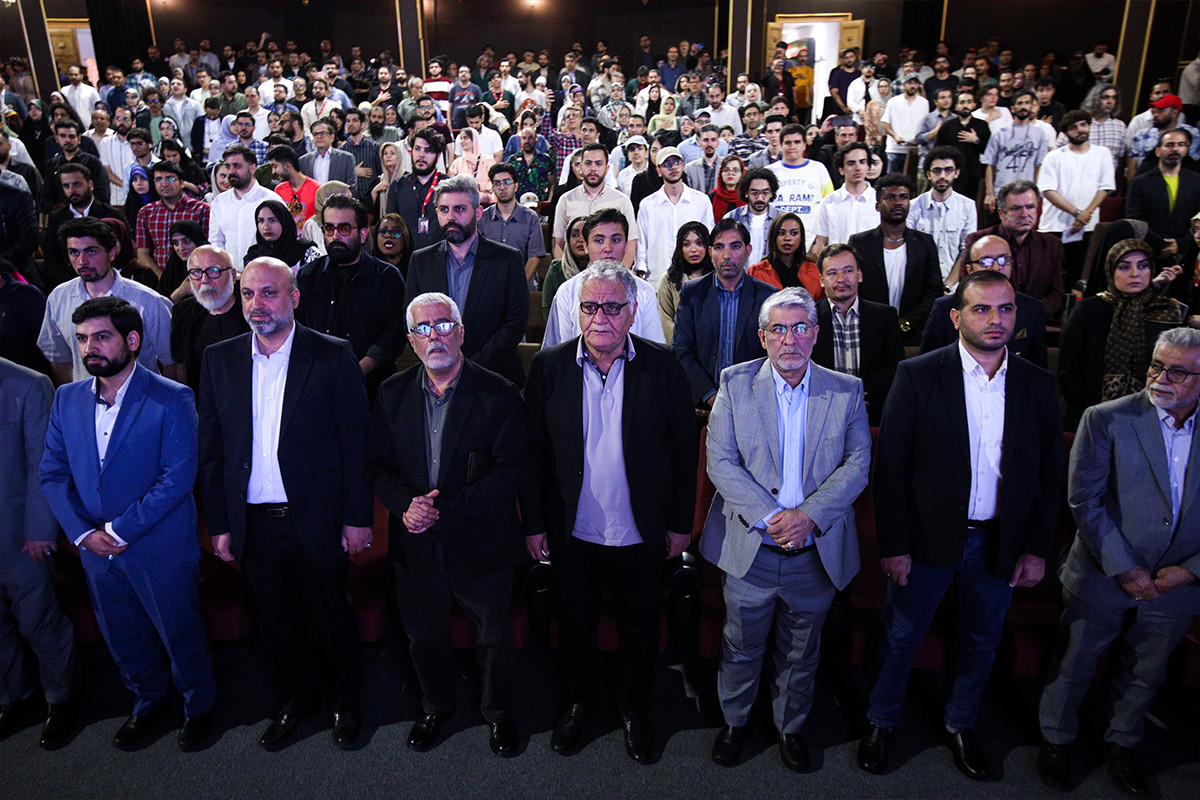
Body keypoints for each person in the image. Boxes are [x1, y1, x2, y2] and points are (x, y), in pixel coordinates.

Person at [859, 269, 1063, 780]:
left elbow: (1047, 475)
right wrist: (894, 544)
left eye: (1005, 309)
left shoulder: (1038, 384)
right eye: (981, 308)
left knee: (981, 640)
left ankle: (960, 723)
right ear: (956, 317)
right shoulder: (920, 374)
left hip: (1000, 541)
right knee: (901, 636)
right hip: (926, 539)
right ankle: (881, 721)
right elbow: (891, 468)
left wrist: (1036, 547)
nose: (996, 319)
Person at [523, 261, 697, 763]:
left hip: (640, 530)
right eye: (590, 306)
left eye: (612, 307)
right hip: (572, 531)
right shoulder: (549, 366)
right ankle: (580, 701)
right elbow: (532, 455)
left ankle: (633, 706)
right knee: (575, 625)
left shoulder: (664, 366)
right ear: (577, 312)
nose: (600, 317)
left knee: (640, 627)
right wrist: (534, 524)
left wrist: (680, 524)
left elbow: (686, 454)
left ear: (632, 311)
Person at [198, 257, 372, 752]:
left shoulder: (332, 354)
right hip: (253, 523)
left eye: (269, 293)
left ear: (294, 298)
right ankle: (297, 698)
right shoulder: (220, 358)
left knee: (332, 615)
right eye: (248, 294)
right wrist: (221, 522)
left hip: (317, 518)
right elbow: (212, 450)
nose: (257, 304)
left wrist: (356, 518)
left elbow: (356, 444)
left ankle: (346, 702)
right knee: (274, 621)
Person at [702, 285, 871, 770]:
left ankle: (789, 728)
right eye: (779, 329)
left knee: (801, 651)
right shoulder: (735, 383)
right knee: (740, 644)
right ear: (763, 337)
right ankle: (735, 722)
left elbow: (858, 463)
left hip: (815, 550)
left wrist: (808, 518)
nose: (790, 339)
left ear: (816, 334)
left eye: (800, 328)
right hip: (752, 546)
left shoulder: (846, 390)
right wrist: (774, 519)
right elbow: (721, 462)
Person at [40, 297, 217, 752]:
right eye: (82, 339)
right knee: (123, 636)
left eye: (102, 337)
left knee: (179, 631)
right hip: (95, 550)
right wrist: (84, 534)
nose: (89, 348)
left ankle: (199, 706)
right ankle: (147, 701)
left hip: (158, 545)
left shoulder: (172, 397)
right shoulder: (66, 399)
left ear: (132, 340)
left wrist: (118, 532)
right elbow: (53, 473)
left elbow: (177, 478)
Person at [1037, 327, 1200, 797]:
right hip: (1103, 571)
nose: (1161, 378)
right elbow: (1084, 501)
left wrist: (1191, 571)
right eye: (1156, 366)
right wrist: (1124, 567)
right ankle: (1056, 738)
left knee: (1146, 671)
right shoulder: (1107, 418)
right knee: (1075, 662)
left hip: (1177, 582)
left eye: (1177, 372)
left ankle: (1121, 742)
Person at [367, 291, 526, 757]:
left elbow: (510, 472)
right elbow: (378, 467)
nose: (433, 336)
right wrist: (405, 505)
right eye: (422, 328)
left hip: (482, 541)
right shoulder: (391, 393)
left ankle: (497, 713)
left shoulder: (500, 393)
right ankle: (435, 706)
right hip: (415, 542)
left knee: (492, 637)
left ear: (460, 333)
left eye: (442, 326)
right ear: (410, 340)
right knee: (423, 637)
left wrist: (442, 510)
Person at [0, 358, 79, 750]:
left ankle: (61, 697)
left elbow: (45, 465)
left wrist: (40, 529)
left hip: (18, 534)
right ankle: (15, 695)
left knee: (38, 621)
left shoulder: (28, 385)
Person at [404, 175, 528, 387]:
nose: (450, 217)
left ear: (478, 213)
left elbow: (515, 324)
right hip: (438, 378)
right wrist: (441, 364)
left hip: (496, 378)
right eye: (444, 210)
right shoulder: (421, 261)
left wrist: (469, 368)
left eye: (459, 209)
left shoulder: (508, 259)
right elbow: (411, 321)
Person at [1059, 239, 1186, 430]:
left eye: (1143, 266)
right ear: (1111, 271)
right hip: (1090, 414)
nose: (1135, 273)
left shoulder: (1165, 311)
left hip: (1153, 416)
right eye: (1124, 267)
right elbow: (1068, 369)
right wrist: (1092, 411)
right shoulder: (1089, 309)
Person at [39, 217, 174, 385]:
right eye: (74, 252)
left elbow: (172, 363)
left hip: (141, 396)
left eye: (91, 251)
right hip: (86, 397)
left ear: (112, 253)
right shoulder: (59, 298)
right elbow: (59, 359)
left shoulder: (148, 301)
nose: (82, 261)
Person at [295, 194, 405, 399]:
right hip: (318, 384)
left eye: (344, 228)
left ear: (363, 235)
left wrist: (356, 369)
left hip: (371, 387)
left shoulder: (386, 277)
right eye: (329, 228)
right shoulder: (308, 275)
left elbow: (393, 335)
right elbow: (299, 330)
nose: (335, 236)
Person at [673, 218, 777, 408]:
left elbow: (772, 354)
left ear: (748, 251)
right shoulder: (692, 293)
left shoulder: (767, 297)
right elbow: (682, 350)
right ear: (710, 253)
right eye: (719, 247)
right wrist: (710, 396)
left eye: (735, 246)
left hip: (753, 402)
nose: (727, 255)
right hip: (701, 404)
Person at [920, 232, 1048, 367]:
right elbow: (928, 365)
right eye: (986, 261)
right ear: (970, 269)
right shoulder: (945, 307)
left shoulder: (1032, 308)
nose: (996, 267)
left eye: (1003, 260)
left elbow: (1038, 370)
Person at [812, 243, 905, 425]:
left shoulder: (885, 316)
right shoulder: (808, 318)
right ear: (821, 280)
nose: (841, 279)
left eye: (848, 271)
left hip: (874, 411)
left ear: (859, 275)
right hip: (821, 411)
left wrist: (861, 393)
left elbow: (895, 364)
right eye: (832, 273)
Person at [543, 208, 664, 348]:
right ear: (586, 246)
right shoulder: (567, 291)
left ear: (626, 245)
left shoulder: (644, 291)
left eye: (616, 240)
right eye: (599, 240)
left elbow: (653, 348)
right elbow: (557, 350)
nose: (608, 248)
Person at [849, 174, 944, 345]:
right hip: (871, 332)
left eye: (903, 197)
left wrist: (907, 323)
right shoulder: (860, 243)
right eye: (891, 198)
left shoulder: (925, 243)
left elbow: (934, 290)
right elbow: (854, 289)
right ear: (877, 205)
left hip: (914, 334)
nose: (898, 202)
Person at [958, 181, 1066, 320]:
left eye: (1030, 207)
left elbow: (1057, 293)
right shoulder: (979, 241)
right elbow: (966, 287)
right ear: (1001, 213)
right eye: (1016, 208)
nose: (1024, 214)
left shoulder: (1052, 245)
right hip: (989, 321)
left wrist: (1029, 315)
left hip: (1035, 321)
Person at [1038, 110, 1117, 288]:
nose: (1080, 129)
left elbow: (1105, 187)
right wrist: (1077, 213)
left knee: (1080, 277)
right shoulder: (1054, 156)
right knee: (1050, 277)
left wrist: (1085, 215)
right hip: (1055, 226)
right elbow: (1048, 190)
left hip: (1088, 227)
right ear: (1066, 133)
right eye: (1074, 127)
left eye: (1083, 125)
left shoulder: (1102, 153)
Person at [168, 244, 248, 392]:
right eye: (196, 272)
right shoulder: (182, 313)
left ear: (232, 275)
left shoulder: (252, 312)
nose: (204, 280)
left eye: (214, 271)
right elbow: (181, 366)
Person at [635, 146, 715, 284]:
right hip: (657, 277)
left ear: (683, 166)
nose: (673, 167)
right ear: (659, 171)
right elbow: (642, 242)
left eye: (676, 162)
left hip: (695, 278)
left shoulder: (701, 201)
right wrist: (641, 270)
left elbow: (709, 238)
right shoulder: (647, 205)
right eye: (667, 164)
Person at [551, 143, 639, 269]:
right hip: (573, 272)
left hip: (612, 271)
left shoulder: (621, 201)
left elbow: (631, 244)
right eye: (588, 163)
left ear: (607, 168)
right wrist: (567, 274)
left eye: (598, 164)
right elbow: (558, 243)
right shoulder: (566, 200)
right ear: (581, 167)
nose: (593, 168)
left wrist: (619, 275)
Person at [41, 162, 120, 289]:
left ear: (91, 185)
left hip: (107, 284)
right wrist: (74, 285)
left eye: (76, 184)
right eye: (66, 186)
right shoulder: (57, 217)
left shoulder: (112, 214)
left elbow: (121, 254)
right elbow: (51, 258)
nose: (71, 190)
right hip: (68, 286)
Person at [1126, 129, 1200, 259]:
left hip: (1187, 252)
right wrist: (1162, 245)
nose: (1175, 149)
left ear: (1186, 150)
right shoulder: (1139, 183)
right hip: (1149, 252)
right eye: (1169, 145)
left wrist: (1180, 244)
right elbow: (1135, 219)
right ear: (1158, 151)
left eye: (1181, 145)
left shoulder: (1196, 180)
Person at [907, 146, 977, 282]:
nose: (943, 176)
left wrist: (948, 285)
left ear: (956, 173)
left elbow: (966, 251)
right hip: (920, 283)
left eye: (948, 170)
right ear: (928, 174)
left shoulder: (967, 206)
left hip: (954, 285)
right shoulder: (913, 206)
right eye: (937, 171)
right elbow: (910, 249)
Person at [134, 160, 210, 280]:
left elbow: (207, 250)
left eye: (170, 179)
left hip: (195, 278)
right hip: (158, 279)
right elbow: (142, 253)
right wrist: (163, 279)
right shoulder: (146, 213)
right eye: (158, 179)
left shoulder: (201, 210)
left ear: (182, 182)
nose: (164, 184)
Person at [768, 124, 833, 253]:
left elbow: (829, 207)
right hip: (776, 243)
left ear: (804, 145)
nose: (792, 146)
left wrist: (820, 241)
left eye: (797, 142)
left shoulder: (818, 169)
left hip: (811, 244)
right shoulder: (769, 172)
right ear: (780, 145)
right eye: (788, 142)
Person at [208, 145, 276, 269]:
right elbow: (216, 241)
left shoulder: (271, 200)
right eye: (228, 166)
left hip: (264, 273)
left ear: (252, 168)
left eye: (237, 166)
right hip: (230, 274)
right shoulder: (219, 202)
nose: (231, 172)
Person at [479, 162, 547, 283]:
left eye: (507, 182)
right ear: (493, 188)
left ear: (516, 186)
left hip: (523, 283)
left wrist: (517, 286)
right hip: (490, 283)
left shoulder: (530, 218)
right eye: (497, 183)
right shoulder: (483, 218)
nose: (502, 187)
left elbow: (534, 258)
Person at [809, 142, 878, 259]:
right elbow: (821, 244)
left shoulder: (879, 201)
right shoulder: (828, 203)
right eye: (851, 163)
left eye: (862, 162)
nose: (858, 168)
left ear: (868, 166)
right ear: (841, 170)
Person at [386, 128, 447, 252]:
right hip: (406, 255)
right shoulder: (397, 186)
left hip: (441, 255)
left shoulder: (449, 187)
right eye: (417, 149)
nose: (421, 155)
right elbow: (392, 226)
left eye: (428, 150)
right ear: (411, 152)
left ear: (438, 156)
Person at [656, 221, 713, 341]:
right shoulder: (669, 279)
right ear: (680, 249)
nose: (693, 250)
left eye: (699, 243)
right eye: (686, 244)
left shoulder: (718, 277)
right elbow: (665, 318)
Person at [747, 212, 821, 299]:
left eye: (794, 233)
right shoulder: (756, 271)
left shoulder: (815, 269)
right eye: (781, 233)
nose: (787, 238)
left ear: (801, 238)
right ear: (774, 237)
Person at [934, 90, 990, 200]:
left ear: (974, 105)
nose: (965, 105)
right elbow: (937, 150)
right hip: (950, 173)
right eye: (962, 102)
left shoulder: (982, 125)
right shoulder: (947, 126)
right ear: (956, 106)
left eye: (969, 102)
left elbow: (988, 151)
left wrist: (976, 140)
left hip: (973, 174)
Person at [243, 198, 319, 270]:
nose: (266, 227)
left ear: (284, 222)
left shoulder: (307, 252)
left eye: (272, 220)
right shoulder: (253, 257)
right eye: (261, 221)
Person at [725, 167, 780, 258]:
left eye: (765, 193)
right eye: (755, 193)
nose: (760, 198)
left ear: (771, 193)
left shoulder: (781, 219)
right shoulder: (732, 217)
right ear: (746, 193)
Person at [879, 75, 930, 173]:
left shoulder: (924, 103)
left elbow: (925, 125)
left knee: (910, 179)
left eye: (915, 83)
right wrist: (895, 136)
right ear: (904, 85)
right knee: (892, 179)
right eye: (910, 83)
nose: (912, 86)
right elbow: (885, 123)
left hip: (914, 149)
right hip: (894, 148)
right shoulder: (893, 101)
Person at [542, 215, 589, 319]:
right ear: (568, 239)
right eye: (575, 235)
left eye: (586, 234)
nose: (580, 239)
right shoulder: (556, 269)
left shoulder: (603, 271)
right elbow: (548, 308)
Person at [300, 118, 356, 186]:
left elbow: (352, 186)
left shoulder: (346, 158)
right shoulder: (304, 161)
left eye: (323, 133)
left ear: (332, 137)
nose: (319, 137)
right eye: (315, 134)